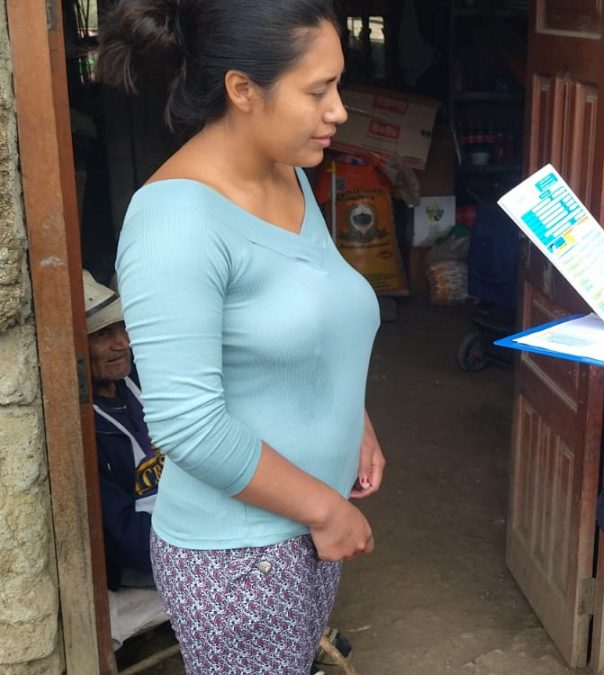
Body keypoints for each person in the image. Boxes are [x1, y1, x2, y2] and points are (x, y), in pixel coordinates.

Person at [96, 2, 385, 672]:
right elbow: (188, 423)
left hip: (304, 529)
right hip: (240, 558)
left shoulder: (287, 173)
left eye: (336, 85)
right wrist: (324, 507)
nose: (338, 109)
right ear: (242, 89)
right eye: (318, 90)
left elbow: (312, 316)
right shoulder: (175, 222)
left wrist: (354, 419)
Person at [84, 269, 163, 592]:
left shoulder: (139, 388)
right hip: (146, 555)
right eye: (104, 335)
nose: (123, 343)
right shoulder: (88, 429)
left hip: (184, 527)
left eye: (123, 329)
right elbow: (123, 538)